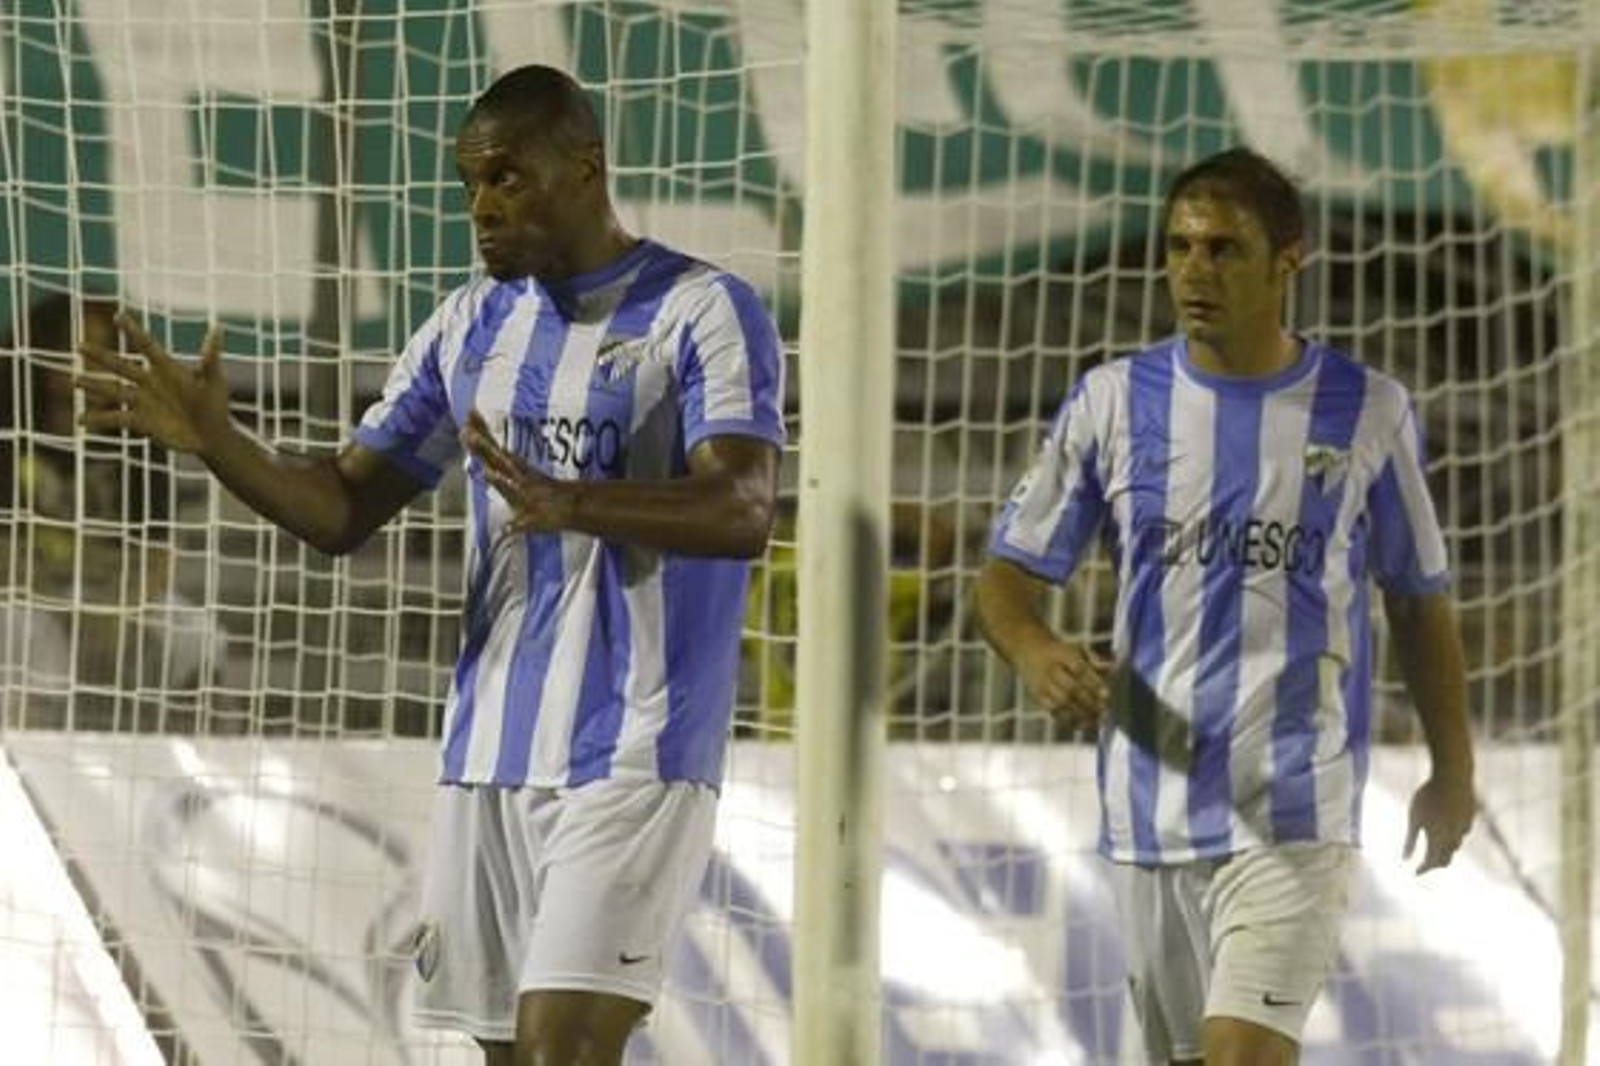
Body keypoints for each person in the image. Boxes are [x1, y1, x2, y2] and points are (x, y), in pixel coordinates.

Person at [76, 64, 784, 1066]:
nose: (481, 208)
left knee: (558, 1051)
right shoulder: (471, 326)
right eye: (468, 186)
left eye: (506, 178)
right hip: (486, 752)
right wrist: (218, 444)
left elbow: (743, 506)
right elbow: (339, 509)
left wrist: (571, 500)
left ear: (585, 169)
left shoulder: (700, 310)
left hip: (633, 748)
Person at [975, 147, 1475, 1066]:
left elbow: (1419, 600)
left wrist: (1454, 769)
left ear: (1292, 259)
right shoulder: (1112, 404)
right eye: (1180, 247)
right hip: (1149, 810)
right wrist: (1035, 649)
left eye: (1225, 249)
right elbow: (1007, 576)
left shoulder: (1368, 411)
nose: (1195, 271)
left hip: (1293, 809)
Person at [1, 293, 225, 731]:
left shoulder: (139, 433)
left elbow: (158, 556)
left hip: (115, 601)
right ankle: (24, 755)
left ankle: (192, 763)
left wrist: (116, 610)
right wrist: (66, 610)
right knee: (19, 626)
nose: (89, 366)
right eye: (76, 351)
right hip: (32, 596)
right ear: (39, 351)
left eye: (102, 353)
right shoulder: (9, 423)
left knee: (195, 634)